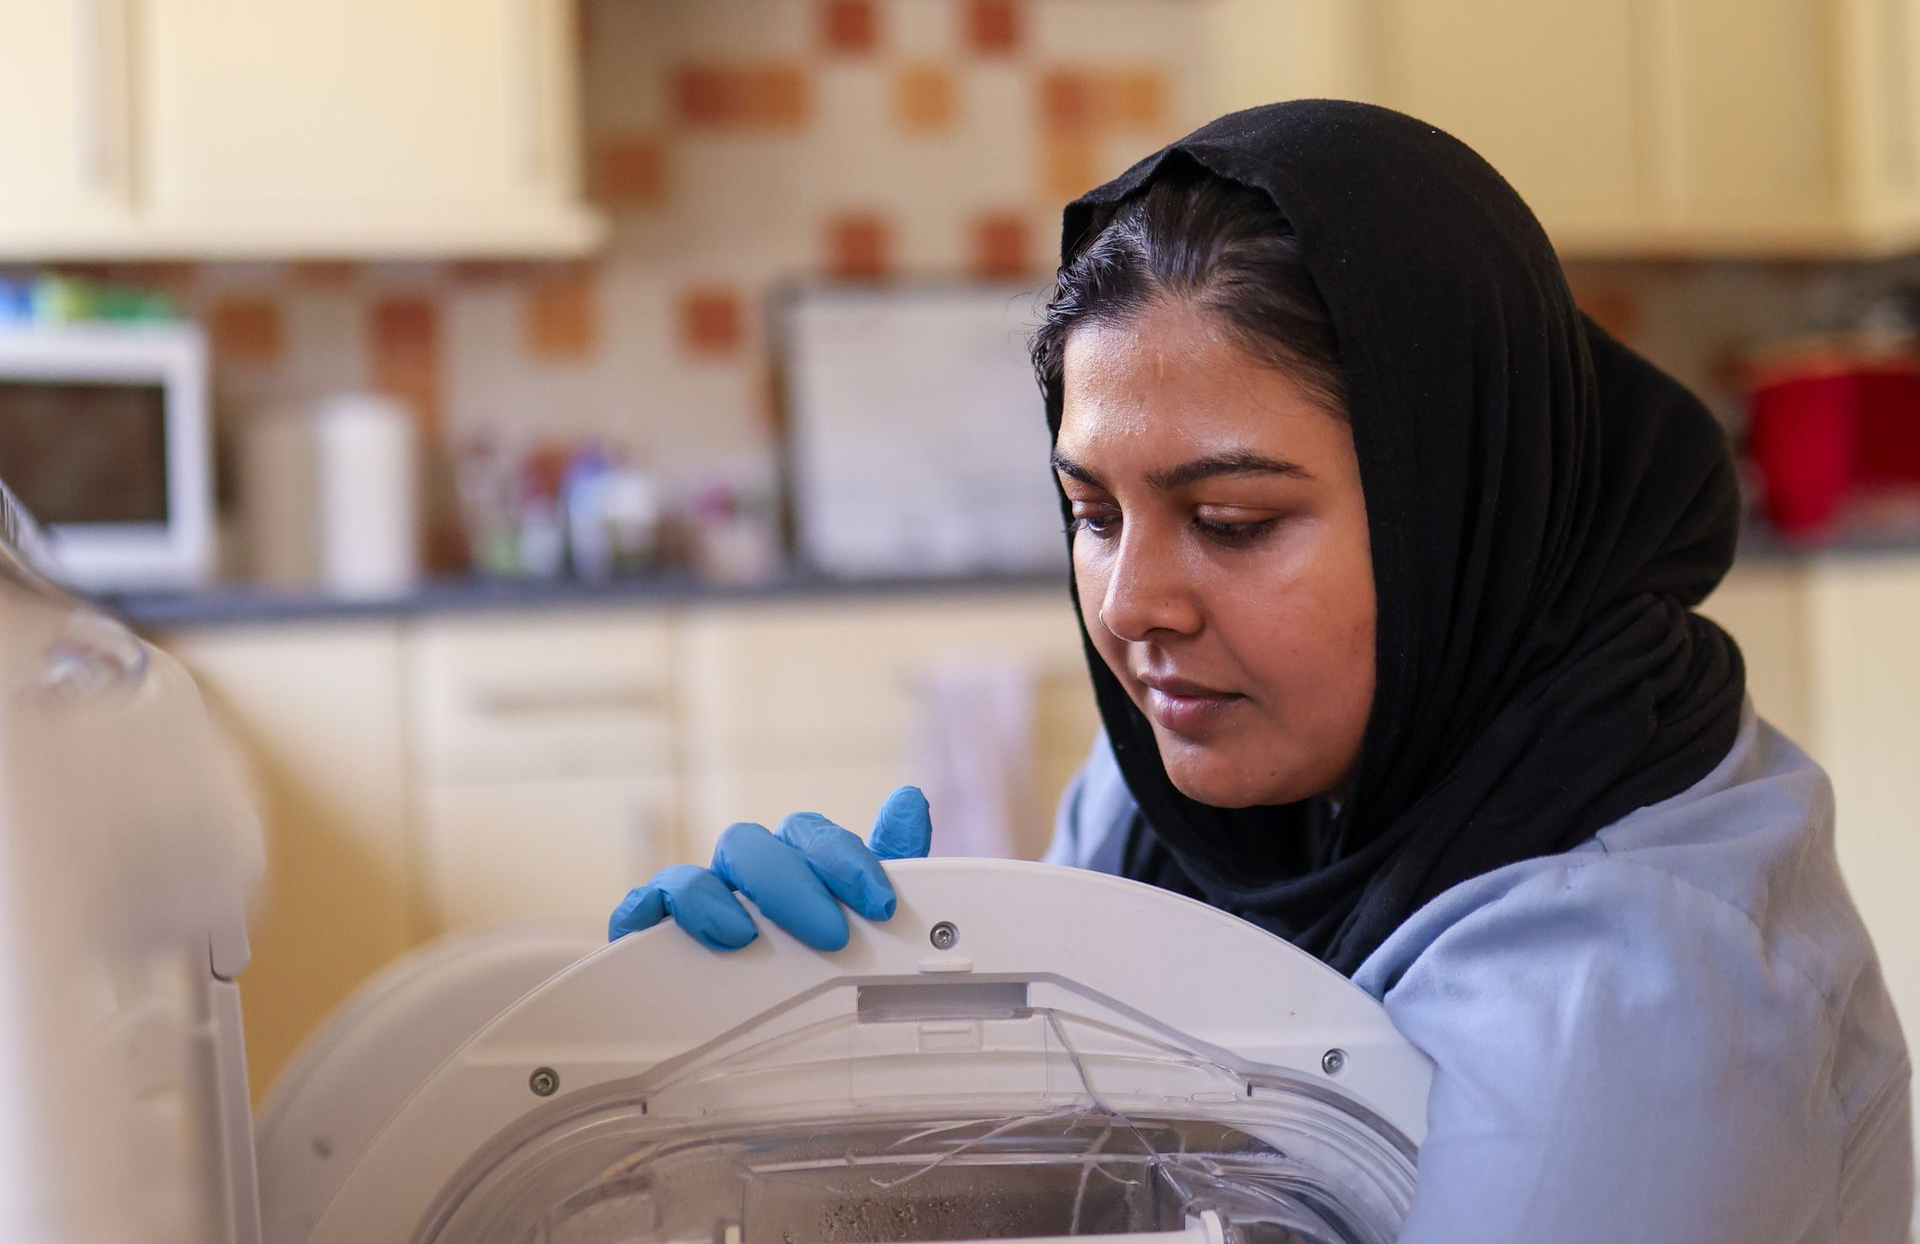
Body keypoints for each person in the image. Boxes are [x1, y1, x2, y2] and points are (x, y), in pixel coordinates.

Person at [607, 101, 1914, 1241]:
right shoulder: (1177, 797)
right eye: (1093, 513)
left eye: (1232, 522)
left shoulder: (1629, 1009)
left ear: (1457, 509)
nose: (1133, 607)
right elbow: (1092, 1183)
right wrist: (818, 1066)